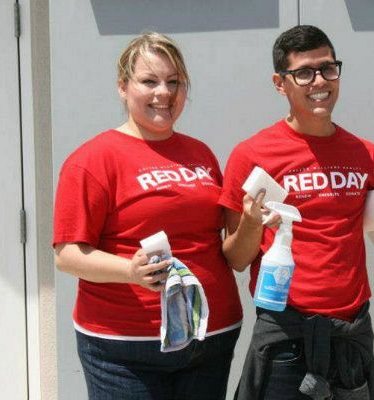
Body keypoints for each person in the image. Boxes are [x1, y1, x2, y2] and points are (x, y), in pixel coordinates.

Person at [219, 25, 374, 400]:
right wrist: (251, 221)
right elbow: (235, 258)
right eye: (304, 72)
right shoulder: (251, 155)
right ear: (280, 83)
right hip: (286, 336)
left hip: (351, 334)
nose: (320, 81)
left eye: (329, 68)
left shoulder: (366, 154)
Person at [53, 32, 242, 400]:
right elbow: (67, 255)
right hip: (125, 348)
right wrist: (130, 272)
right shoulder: (92, 160)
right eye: (149, 81)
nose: (164, 93)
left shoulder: (200, 153)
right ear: (123, 87)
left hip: (209, 338)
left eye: (174, 82)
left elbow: (221, 241)